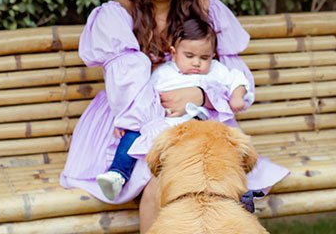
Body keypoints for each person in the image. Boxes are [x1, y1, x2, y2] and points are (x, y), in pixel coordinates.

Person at [59, 0, 289, 233]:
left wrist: (201, 96)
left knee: (223, 176)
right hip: (132, 124)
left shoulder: (206, 11)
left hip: (199, 119)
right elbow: (126, 91)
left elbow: (232, 78)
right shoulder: (117, 16)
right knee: (162, 181)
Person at [96, 17, 253, 201]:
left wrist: (237, 95)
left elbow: (237, 79)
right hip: (163, 126)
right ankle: (117, 174)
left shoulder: (216, 71)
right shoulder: (163, 73)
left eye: (204, 57)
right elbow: (143, 100)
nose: (196, 63)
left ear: (213, 56)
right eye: (189, 56)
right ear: (174, 52)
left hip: (196, 130)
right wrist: (127, 120)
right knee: (132, 134)